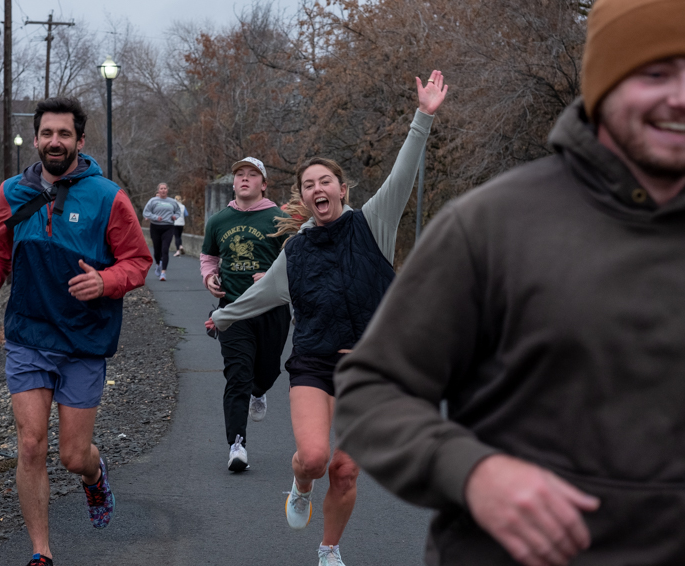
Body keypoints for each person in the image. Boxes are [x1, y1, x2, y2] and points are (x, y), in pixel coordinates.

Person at [333, 1, 685, 564]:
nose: (680, 96)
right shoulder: (492, 225)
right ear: (604, 81)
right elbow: (372, 392)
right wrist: (473, 472)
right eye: (656, 73)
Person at [206, 71, 447, 566]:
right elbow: (261, 297)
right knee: (315, 460)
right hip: (315, 363)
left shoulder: (373, 223)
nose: (318, 189)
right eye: (308, 185)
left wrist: (423, 117)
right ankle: (299, 486)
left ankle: (329, 549)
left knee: (346, 469)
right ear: (303, 197)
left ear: (341, 189)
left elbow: (403, 173)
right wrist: (223, 318)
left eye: (325, 182)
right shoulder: (294, 252)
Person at [0, 97, 151, 566]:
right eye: (47, 133)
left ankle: (94, 476)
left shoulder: (108, 197)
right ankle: (41, 552)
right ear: (35, 139)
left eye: (64, 134)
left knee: (73, 455)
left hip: (84, 339)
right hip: (29, 333)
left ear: (79, 141)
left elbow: (138, 261)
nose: (55, 141)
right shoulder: (13, 191)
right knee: (30, 444)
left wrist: (105, 281)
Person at [200, 157, 291, 472]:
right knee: (238, 375)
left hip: (272, 310)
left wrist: (272, 277)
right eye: (240, 174)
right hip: (233, 310)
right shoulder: (218, 221)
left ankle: (260, 390)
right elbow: (209, 256)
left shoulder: (280, 219)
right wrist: (209, 276)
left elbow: (295, 262)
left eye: (253, 175)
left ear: (263, 184)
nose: (244, 179)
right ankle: (236, 445)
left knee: (266, 372)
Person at [143, 183, 180, 281]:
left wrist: (175, 216)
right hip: (155, 227)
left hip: (168, 227)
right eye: (161, 188)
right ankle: (158, 264)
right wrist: (155, 217)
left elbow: (178, 212)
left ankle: (163, 273)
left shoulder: (172, 201)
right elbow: (146, 213)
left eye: (165, 188)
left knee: (165, 249)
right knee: (157, 250)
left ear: (167, 190)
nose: (163, 190)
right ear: (158, 191)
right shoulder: (153, 201)